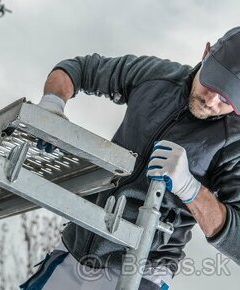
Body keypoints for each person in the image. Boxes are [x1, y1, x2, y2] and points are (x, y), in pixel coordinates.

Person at [20, 27, 240, 290]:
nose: (212, 101)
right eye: (213, 83)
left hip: (141, 272)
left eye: (228, 99)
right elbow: (79, 69)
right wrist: (52, 104)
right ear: (206, 53)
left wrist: (191, 189)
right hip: (74, 250)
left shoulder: (233, 143)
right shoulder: (156, 76)